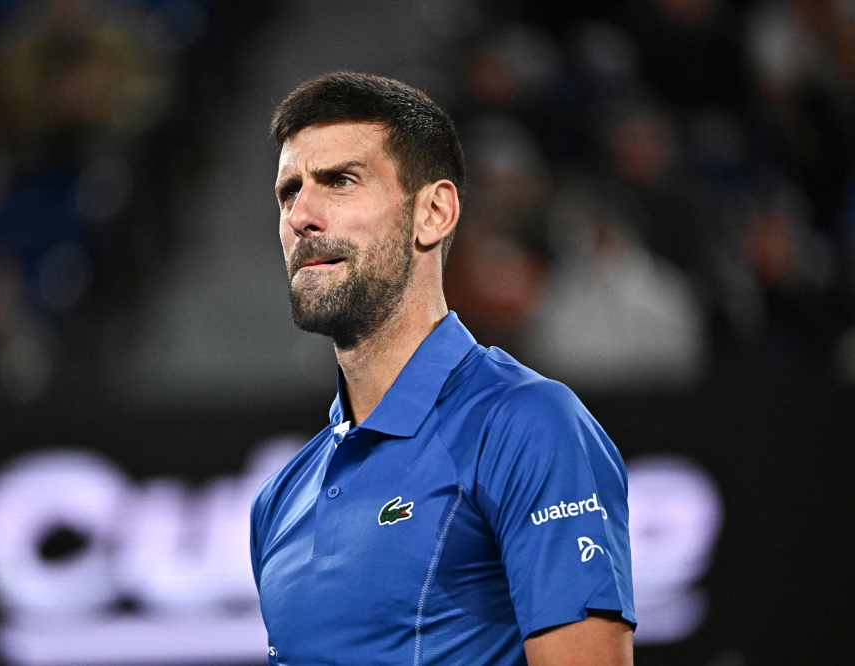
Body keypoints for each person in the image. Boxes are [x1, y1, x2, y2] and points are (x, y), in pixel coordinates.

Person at [250, 72, 636, 666]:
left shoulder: (528, 426)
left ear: (434, 212)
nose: (302, 215)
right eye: (288, 192)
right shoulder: (278, 501)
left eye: (341, 182)